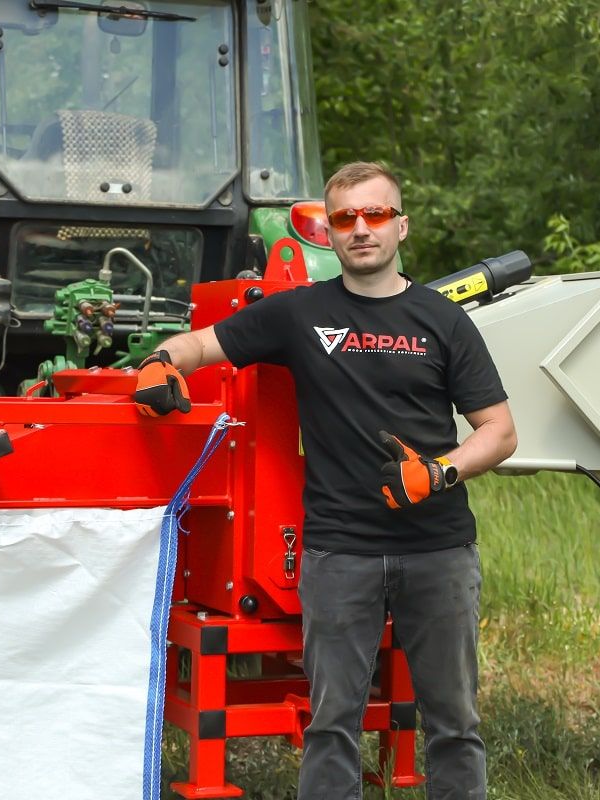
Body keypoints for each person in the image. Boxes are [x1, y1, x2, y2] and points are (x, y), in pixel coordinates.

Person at [134, 161, 517, 799]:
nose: (360, 229)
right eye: (345, 218)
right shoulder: (298, 314)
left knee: (454, 721)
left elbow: (499, 431)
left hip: (440, 550)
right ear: (332, 233)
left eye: (375, 215)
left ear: (401, 226)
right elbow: (200, 344)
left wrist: (439, 471)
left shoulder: (444, 321)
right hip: (339, 552)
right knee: (332, 722)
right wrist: (158, 362)